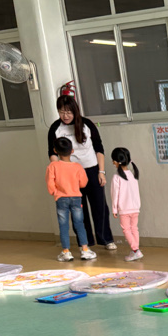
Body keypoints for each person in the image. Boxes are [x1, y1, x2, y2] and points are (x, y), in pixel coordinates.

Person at [47, 95, 116, 250]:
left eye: (68, 112)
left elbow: (99, 148)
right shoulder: (55, 128)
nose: (65, 116)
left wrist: (101, 171)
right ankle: (85, 242)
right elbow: (52, 153)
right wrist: (58, 173)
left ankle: (106, 239)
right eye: (62, 112)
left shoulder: (87, 124)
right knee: (78, 209)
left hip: (92, 170)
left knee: (99, 206)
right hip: (70, 175)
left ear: (75, 111)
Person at [45, 137, 97, 262]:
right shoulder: (78, 167)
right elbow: (83, 183)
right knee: (79, 224)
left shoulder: (53, 166)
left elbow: (50, 183)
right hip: (76, 198)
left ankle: (66, 252)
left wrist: (54, 192)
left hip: (61, 199)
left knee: (63, 225)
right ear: (72, 151)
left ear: (55, 151)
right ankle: (85, 250)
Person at [111, 147, 143, 262]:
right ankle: (135, 251)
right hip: (135, 208)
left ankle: (135, 250)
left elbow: (115, 195)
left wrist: (114, 209)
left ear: (116, 162)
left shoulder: (116, 177)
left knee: (126, 230)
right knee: (134, 229)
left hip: (124, 209)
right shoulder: (133, 174)